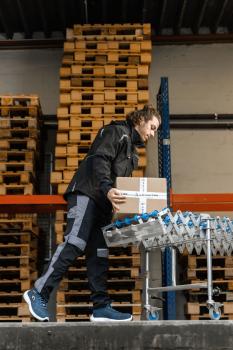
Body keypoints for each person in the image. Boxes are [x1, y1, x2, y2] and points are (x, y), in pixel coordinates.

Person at [23, 104, 161, 322]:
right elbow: (99, 159)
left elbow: (119, 183)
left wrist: (117, 202)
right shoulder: (117, 132)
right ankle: (38, 292)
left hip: (102, 205)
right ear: (140, 120)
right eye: (152, 127)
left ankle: (100, 307)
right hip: (86, 194)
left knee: (99, 254)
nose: (152, 134)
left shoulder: (132, 154)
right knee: (75, 242)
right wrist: (107, 189)